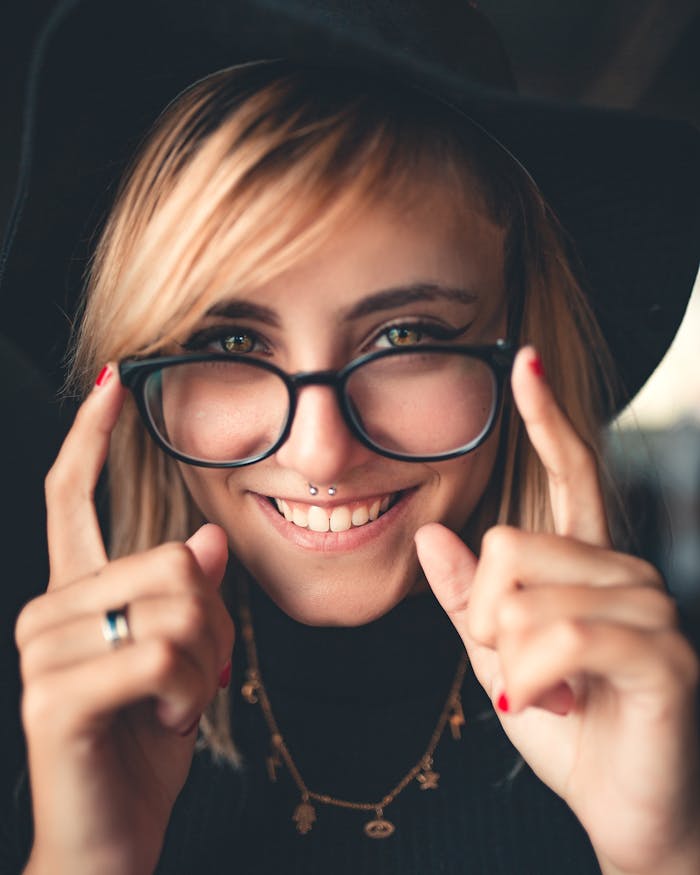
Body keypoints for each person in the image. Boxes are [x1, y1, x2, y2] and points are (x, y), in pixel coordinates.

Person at [2, 2, 699, 873]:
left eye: (404, 336)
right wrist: (86, 857)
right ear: (144, 369)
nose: (322, 452)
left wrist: (664, 849)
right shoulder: (37, 709)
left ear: (521, 340)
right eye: (232, 343)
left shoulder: (668, 703)